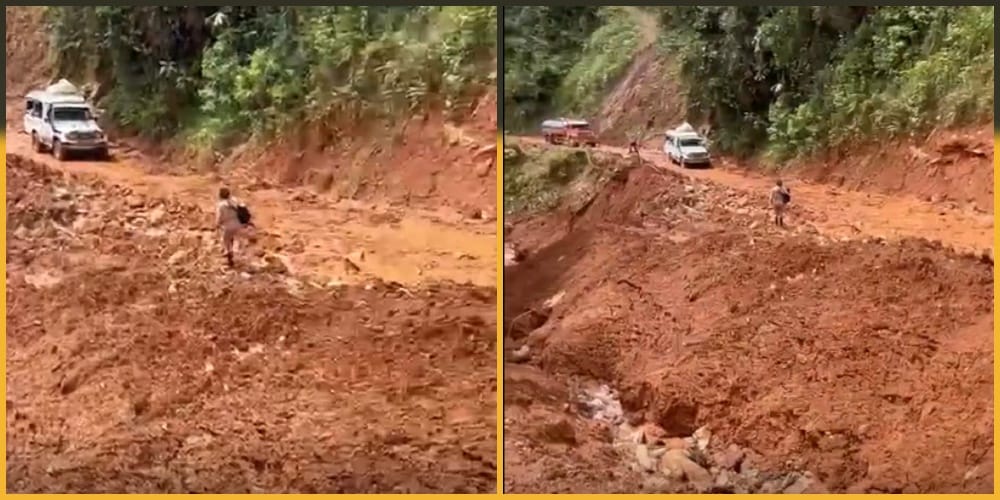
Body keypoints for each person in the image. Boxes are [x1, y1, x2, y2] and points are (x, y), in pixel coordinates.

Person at [216, 187, 250, 267]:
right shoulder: (235, 200)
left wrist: (217, 224)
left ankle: (229, 254)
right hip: (238, 224)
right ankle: (235, 253)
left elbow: (220, 217)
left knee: (226, 241)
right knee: (237, 239)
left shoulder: (221, 205)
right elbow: (242, 208)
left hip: (227, 226)